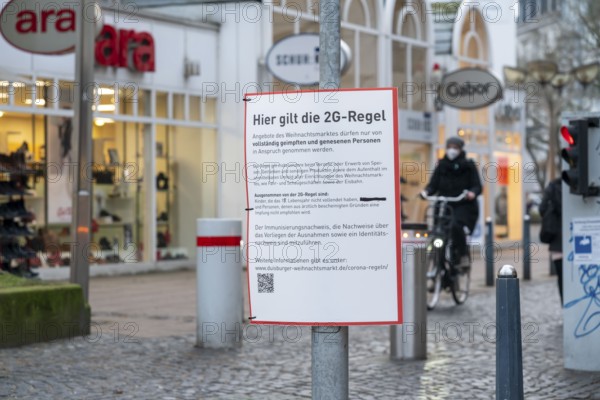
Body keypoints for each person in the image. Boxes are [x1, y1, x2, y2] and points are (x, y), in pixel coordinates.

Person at [421, 137, 482, 268]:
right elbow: (433, 185)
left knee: (455, 226)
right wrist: (426, 192)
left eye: (455, 147)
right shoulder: (441, 165)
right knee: (438, 230)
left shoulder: (468, 165)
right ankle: (438, 267)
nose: (452, 150)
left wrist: (471, 193)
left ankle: (463, 254)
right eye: (449, 147)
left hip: (462, 205)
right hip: (444, 205)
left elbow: (477, 186)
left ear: (460, 149)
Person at [539, 177, 563, 304]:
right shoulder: (576, 184)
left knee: (561, 277)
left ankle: (564, 306)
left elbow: (542, 209)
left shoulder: (552, 187)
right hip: (576, 240)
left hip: (556, 242)